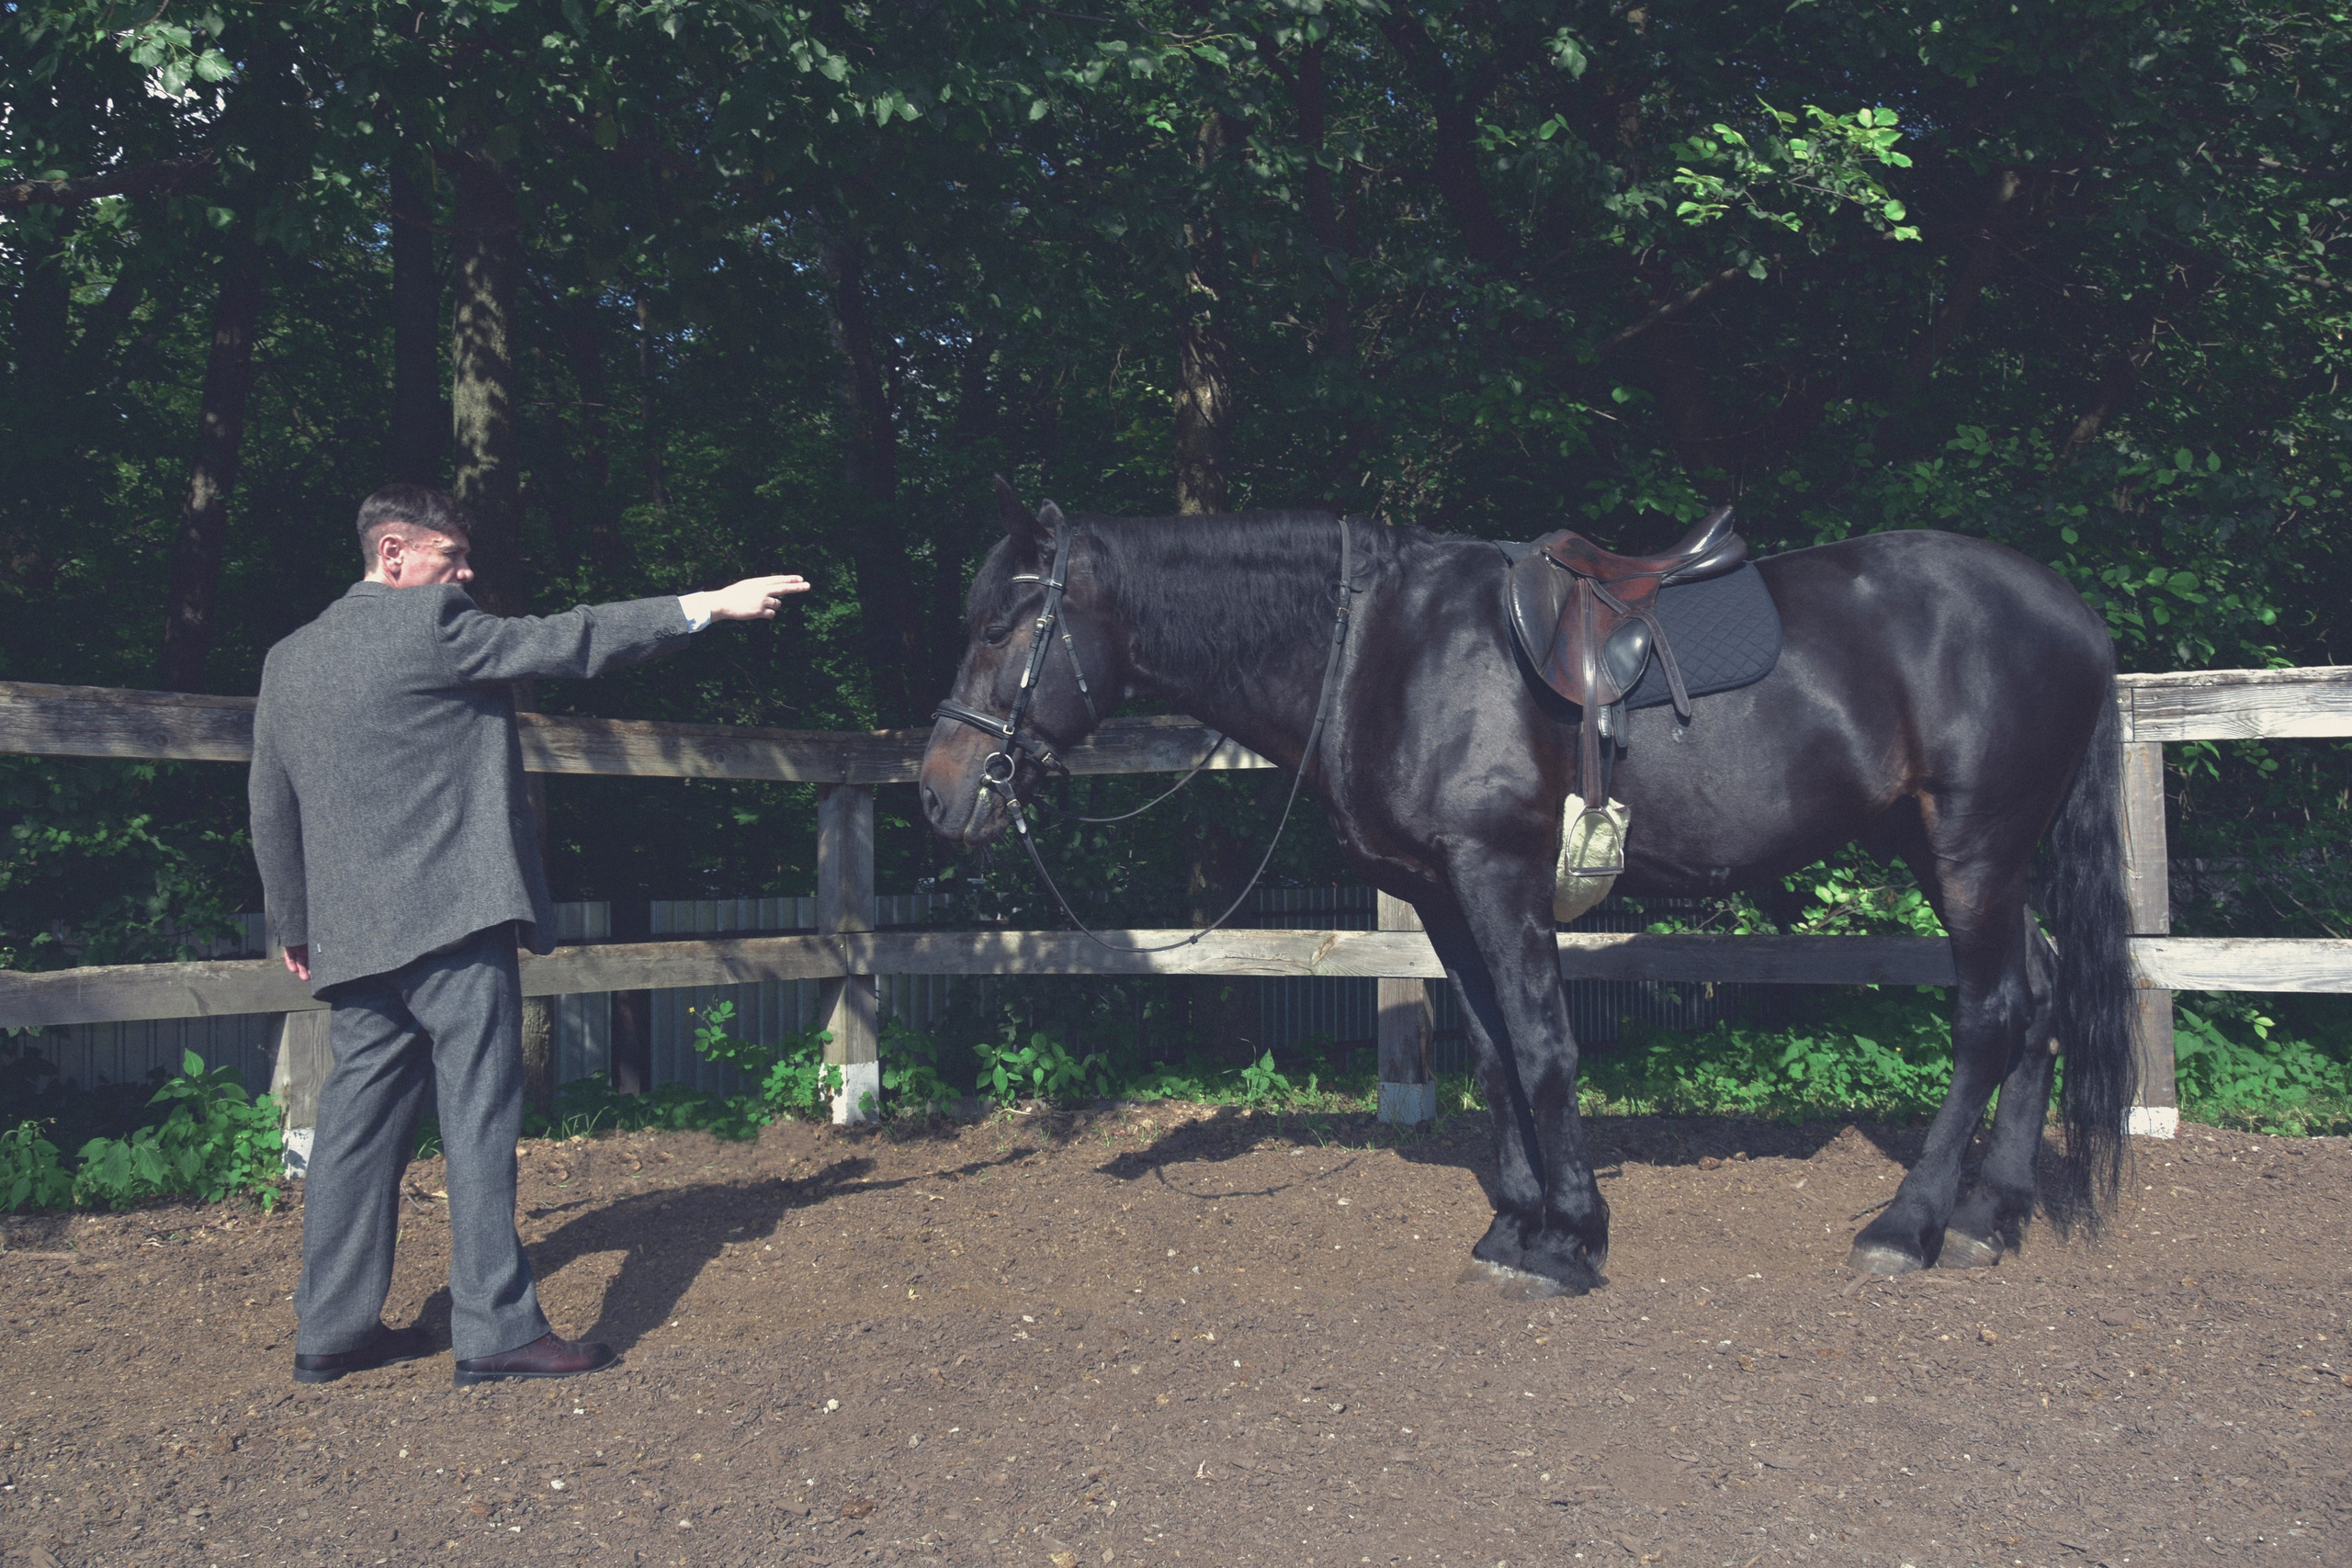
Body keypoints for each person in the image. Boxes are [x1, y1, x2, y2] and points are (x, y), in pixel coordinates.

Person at [249, 483, 807, 1387]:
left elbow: (267, 802)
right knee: (476, 1120)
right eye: (449, 555)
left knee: (352, 1132)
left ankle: (332, 1330)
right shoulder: (431, 625)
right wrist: (707, 605)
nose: (465, 573)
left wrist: (294, 917)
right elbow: (572, 639)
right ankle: (496, 1330)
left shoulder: (287, 660)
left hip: (351, 939)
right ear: (392, 553)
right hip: (451, 924)